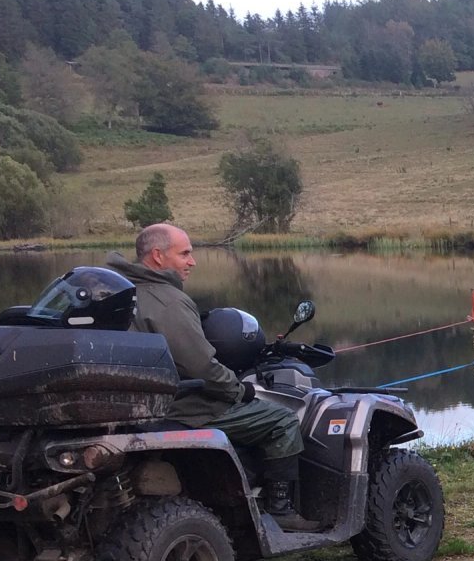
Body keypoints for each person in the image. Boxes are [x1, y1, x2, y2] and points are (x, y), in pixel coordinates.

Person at [108, 224, 320, 530]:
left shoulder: (122, 290)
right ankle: (282, 511)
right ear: (157, 256)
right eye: (185, 254)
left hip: (140, 403)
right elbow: (201, 367)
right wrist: (238, 390)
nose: (192, 261)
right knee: (282, 421)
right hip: (185, 406)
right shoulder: (168, 300)